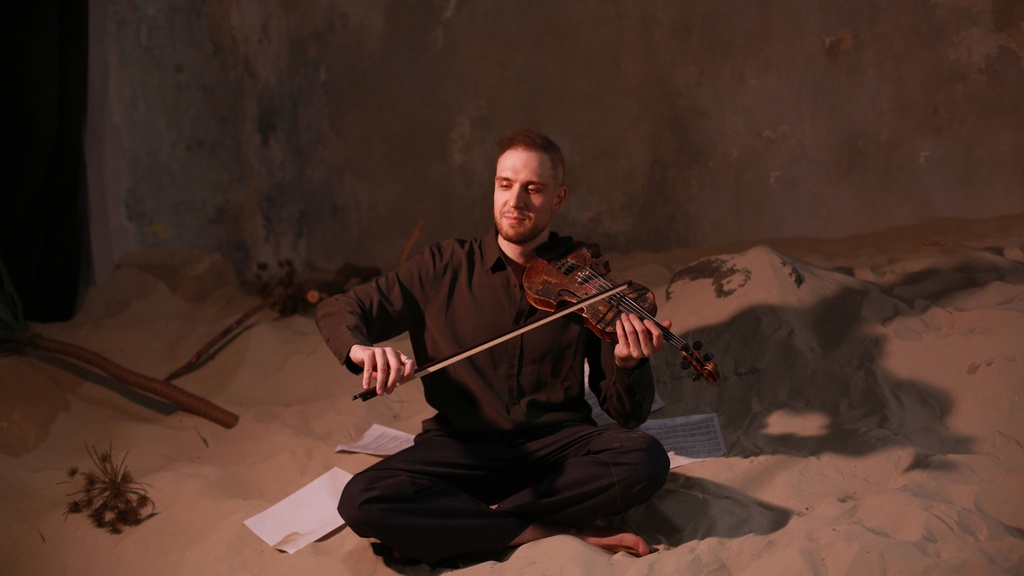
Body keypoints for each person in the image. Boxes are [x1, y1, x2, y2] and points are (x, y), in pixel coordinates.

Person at [315, 129, 671, 566]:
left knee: (646, 458)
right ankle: (546, 529)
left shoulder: (585, 281)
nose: (515, 201)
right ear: (495, 187)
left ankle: (472, 525)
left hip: (555, 450)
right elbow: (340, 308)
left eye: (533, 189)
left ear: (557, 199)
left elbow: (627, 414)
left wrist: (628, 363)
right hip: (462, 448)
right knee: (361, 498)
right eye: (505, 184)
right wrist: (361, 350)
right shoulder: (441, 266)